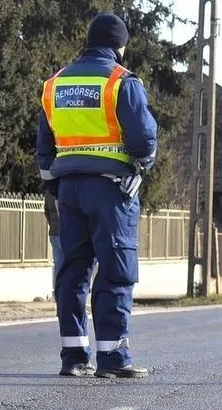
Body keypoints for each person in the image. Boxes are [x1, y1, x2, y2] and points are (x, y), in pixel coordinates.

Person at [36, 12, 156, 379]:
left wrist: (55, 186)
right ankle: (113, 357)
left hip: (68, 191)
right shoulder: (121, 81)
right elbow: (144, 137)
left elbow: (45, 148)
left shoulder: (54, 84)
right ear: (119, 45)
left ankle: (73, 357)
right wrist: (142, 164)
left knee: (72, 270)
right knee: (116, 270)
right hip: (111, 190)